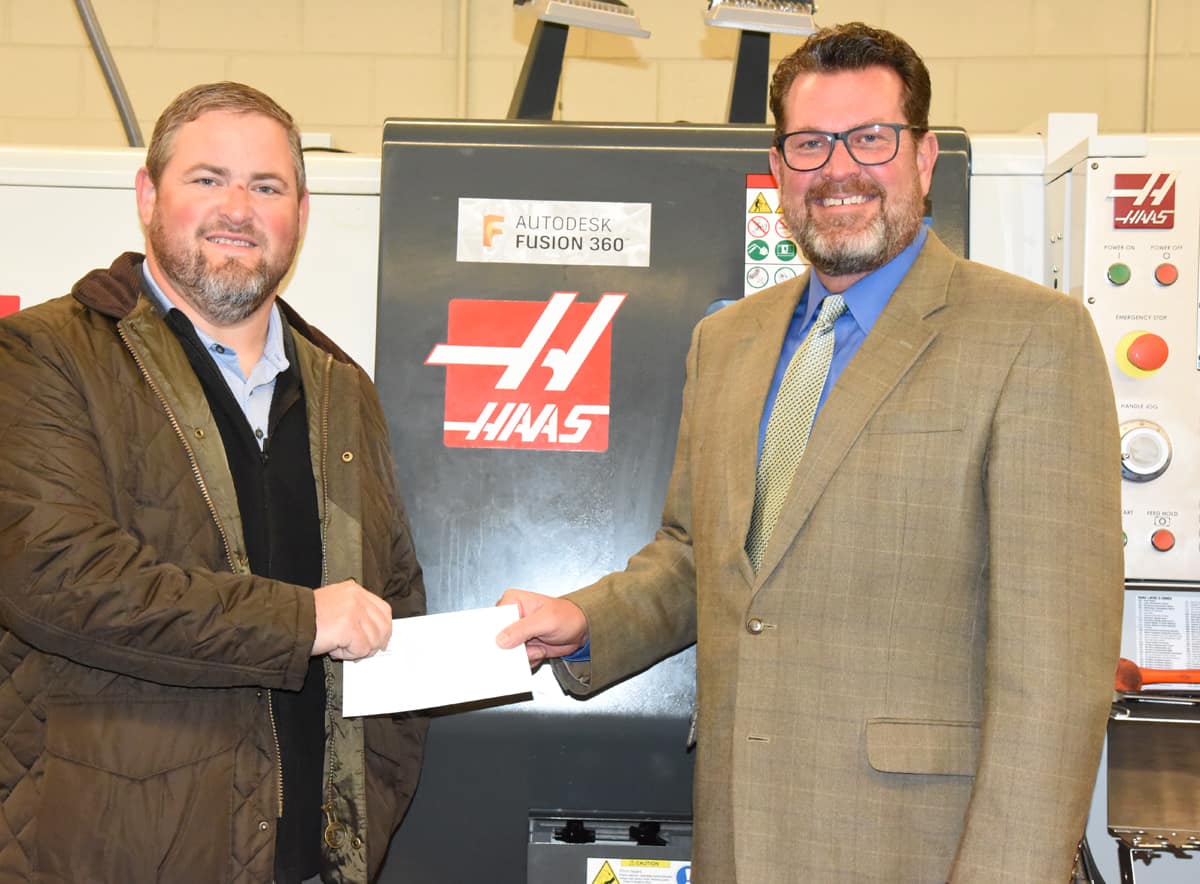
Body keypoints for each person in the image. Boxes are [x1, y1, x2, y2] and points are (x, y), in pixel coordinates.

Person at [497, 22, 1122, 883]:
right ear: (780, 168)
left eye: (871, 138)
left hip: (920, 847)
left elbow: (1057, 675)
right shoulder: (728, 342)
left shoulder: (1031, 337)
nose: (839, 168)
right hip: (738, 829)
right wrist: (588, 622)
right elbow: (700, 556)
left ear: (924, 155)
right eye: (810, 144)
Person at [0, 82, 426, 883]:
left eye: (266, 187)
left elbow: (392, 599)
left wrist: (368, 806)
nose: (238, 207)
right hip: (110, 858)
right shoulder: (43, 357)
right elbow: (58, 580)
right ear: (147, 196)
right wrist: (299, 620)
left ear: (300, 212)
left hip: (305, 864)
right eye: (207, 179)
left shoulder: (342, 389)